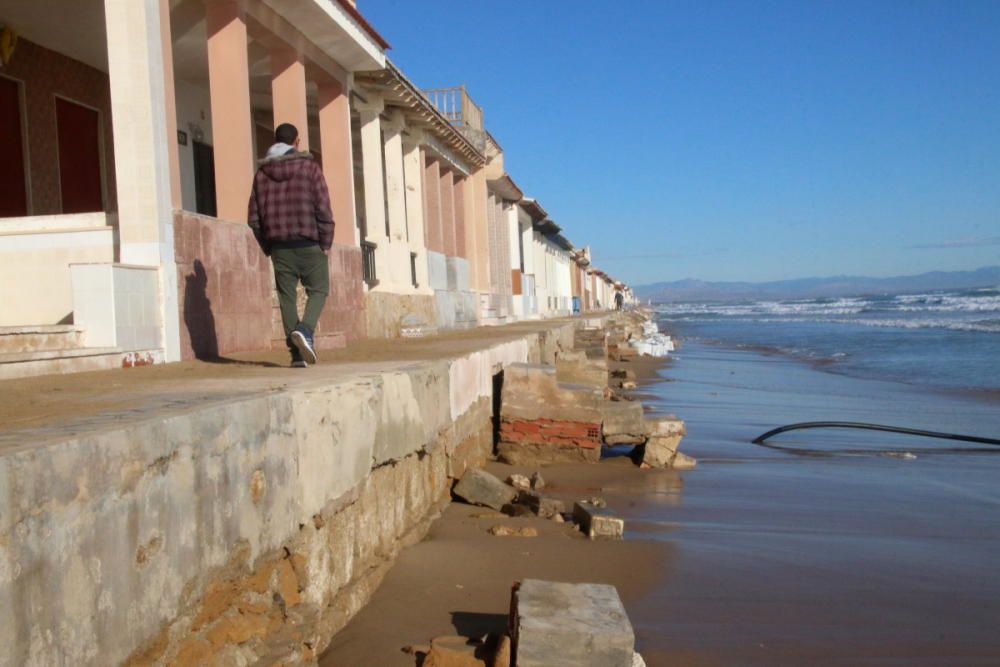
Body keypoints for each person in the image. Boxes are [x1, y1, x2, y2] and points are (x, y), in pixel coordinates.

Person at [248, 123, 334, 368]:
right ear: (297, 141)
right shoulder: (310, 169)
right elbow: (323, 208)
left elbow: (253, 218)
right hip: (309, 242)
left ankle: (296, 355)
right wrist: (326, 241)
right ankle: (305, 331)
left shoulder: (261, 174)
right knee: (318, 290)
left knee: (286, 297)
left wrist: (268, 245)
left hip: (279, 246)